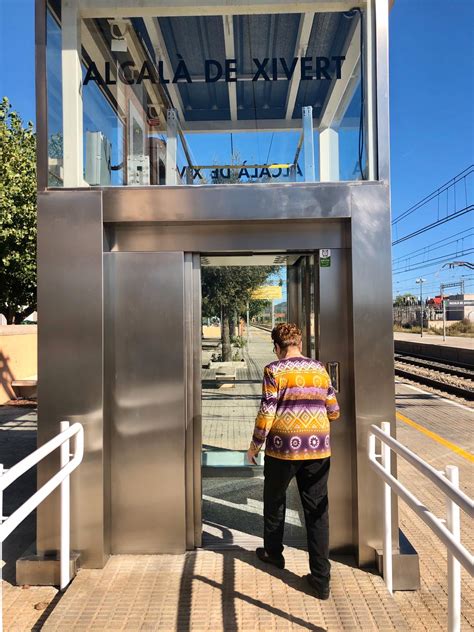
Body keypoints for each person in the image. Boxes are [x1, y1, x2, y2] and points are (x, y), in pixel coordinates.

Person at [247, 323, 340, 600]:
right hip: (318, 451)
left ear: (277, 346)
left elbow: (267, 412)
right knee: (317, 511)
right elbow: (334, 411)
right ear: (300, 343)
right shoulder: (320, 369)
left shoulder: (274, 370)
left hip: (282, 450)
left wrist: (254, 446)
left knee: (275, 501)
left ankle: (274, 554)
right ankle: (321, 580)